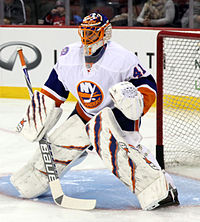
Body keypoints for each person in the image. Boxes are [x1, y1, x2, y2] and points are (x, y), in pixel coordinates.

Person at [10, 12, 179, 210]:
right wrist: (38, 115)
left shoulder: (122, 58)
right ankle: (31, 181)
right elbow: (52, 92)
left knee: (125, 154)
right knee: (59, 145)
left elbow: (148, 86)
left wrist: (136, 101)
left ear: (105, 34)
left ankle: (163, 190)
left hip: (117, 115)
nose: (88, 39)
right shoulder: (68, 57)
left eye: (93, 33)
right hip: (84, 114)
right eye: (85, 33)